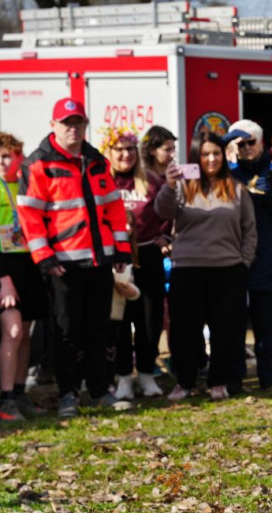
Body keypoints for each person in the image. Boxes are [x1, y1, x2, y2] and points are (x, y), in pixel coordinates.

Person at [18, 98, 131, 417]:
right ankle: (68, 394)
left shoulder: (96, 161)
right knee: (66, 332)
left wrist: (120, 248)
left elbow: (113, 207)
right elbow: (29, 216)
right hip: (62, 265)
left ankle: (98, 391)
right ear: (53, 125)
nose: (73, 128)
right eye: (67, 122)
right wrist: (44, 258)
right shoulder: (38, 164)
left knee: (99, 328)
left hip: (99, 261)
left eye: (78, 122)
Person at [155, 131, 256, 401]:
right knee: (184, 330)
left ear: (223, 156)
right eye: (205, 153)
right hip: (187, 268)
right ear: (196, 157)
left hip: (228, 270)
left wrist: (243, 262)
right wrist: (168, 185)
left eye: (216, 153)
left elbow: (250, 231)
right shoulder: (181, 187)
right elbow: (162, 213)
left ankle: (219, 380)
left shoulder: (236, 189)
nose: (211, 159)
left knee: (226, 330)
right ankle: (185, 381)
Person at [228, 120, 272, 390]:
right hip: (233, 255)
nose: (245, 148)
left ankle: (267, 377)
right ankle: (237, 373)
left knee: (264, 321)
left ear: (260, 143)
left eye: (249, 142)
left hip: (265, 255)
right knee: (233, 318)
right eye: (240, 144)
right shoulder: (229, 173)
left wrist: (268, 197)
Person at [102, 126, 169, 400]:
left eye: (130, 149)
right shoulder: (102, 182)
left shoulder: (152, 181)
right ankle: (122, 378)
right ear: (109, 152)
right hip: (115, 260)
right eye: (119, 149)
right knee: (119, 320)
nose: (126, 154)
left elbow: (167, 213)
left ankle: (145, 373)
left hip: (147, 256)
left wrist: (164, 234)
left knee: (149, 319)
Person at [0, 132, 46, 421]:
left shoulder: (25, 185)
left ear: (19, 157)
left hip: (27, 263)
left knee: (25, 333)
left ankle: (18, 393)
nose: (3, 162)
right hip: (2, 268)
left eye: (8, 156)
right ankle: (5, 400)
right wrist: (3, 278)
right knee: (12, 330)